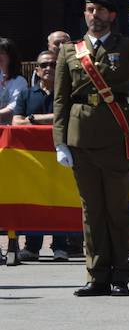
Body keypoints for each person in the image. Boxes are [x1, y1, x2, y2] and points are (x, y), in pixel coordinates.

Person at [52, 0, 129, 296]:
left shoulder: (127, 45)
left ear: (112, 16)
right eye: (89, 9)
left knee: (117, 209)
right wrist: (60, 142)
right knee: (91, 211)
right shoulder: (70, 51)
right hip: (80, 140)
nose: (94, 15)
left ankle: (120, 275)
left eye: (100, 10)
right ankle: (97, 275)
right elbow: (61, 100)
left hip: (116, 135)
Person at [14, 50, 79, 262]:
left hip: (62, 155)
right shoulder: (26, 94)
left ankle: (60, 246)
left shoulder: (68, 94)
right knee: (35, 200)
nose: (49, 68)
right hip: (33, 161)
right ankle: (32, 247)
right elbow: (17, 123)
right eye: (44, 65)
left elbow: (68, 118)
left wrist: (32, 119)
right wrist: (50, 119)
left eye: (53, 64)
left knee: (59, 199)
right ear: (37, 70)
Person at [0, 36, 28, 122]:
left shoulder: (20, 81)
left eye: (1, 52)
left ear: (10, 56)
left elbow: (13, 106)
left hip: (8, 129)